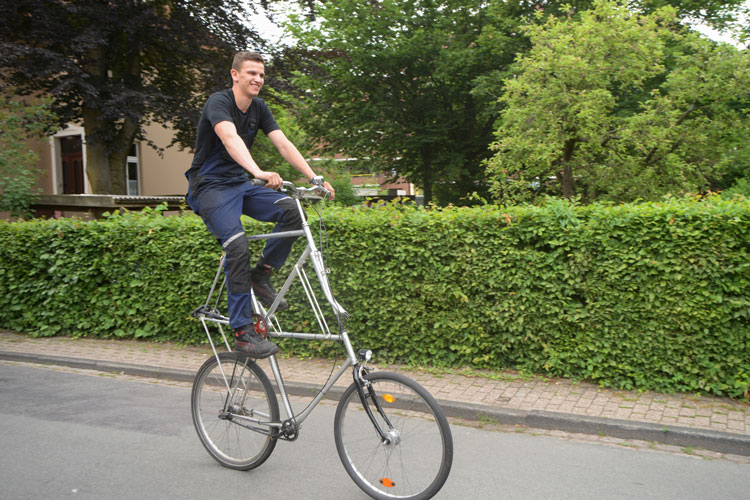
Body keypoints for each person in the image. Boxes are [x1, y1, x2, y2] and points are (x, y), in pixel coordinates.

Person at [185, 51, 335, 358]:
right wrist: (258, 171)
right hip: (210, 186)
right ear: (235, 75)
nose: (258, 79)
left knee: (292, 211)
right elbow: (230, 138)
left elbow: (283, 143)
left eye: (262, 75)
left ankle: (261, 274)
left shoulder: (259, 108)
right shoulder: (219, 102)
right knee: (237, 246)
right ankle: (243, 333)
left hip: (241, 185)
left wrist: (314, 179)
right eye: (252, 73)